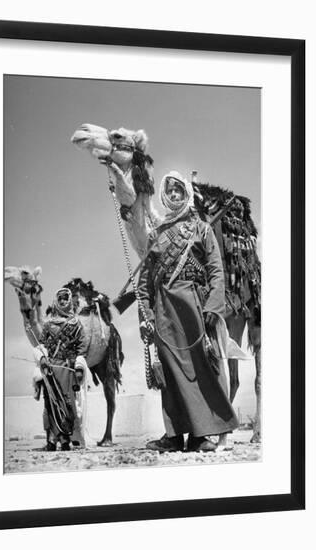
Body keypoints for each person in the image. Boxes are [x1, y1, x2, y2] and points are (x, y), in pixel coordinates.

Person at [138, 170, 239, 452]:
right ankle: (173, 436)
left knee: (200, 370)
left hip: (194, 307)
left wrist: (213, 307)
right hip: (163, 312)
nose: (173, 195)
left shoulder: (202, 229)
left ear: (186, 194)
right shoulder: (156, 235)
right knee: (169, 372)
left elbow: (216, 272)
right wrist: (145, 315)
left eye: (178, 190)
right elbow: (144, 283)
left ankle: (200, 435)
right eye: (168, 190)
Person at [32, 288, 88, 451]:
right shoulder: (48, 324)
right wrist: (42, 358)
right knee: (50, 403)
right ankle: (51, 439)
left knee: (67, 402)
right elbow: (41, 344)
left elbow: (82, 346)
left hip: (67, 368)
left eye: (66, 298)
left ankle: (65, 439)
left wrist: (77, 365)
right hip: (50, 369)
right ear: (56, 301)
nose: (63, 301)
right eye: (60, 298)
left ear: (70, 300)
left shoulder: (76, 324)